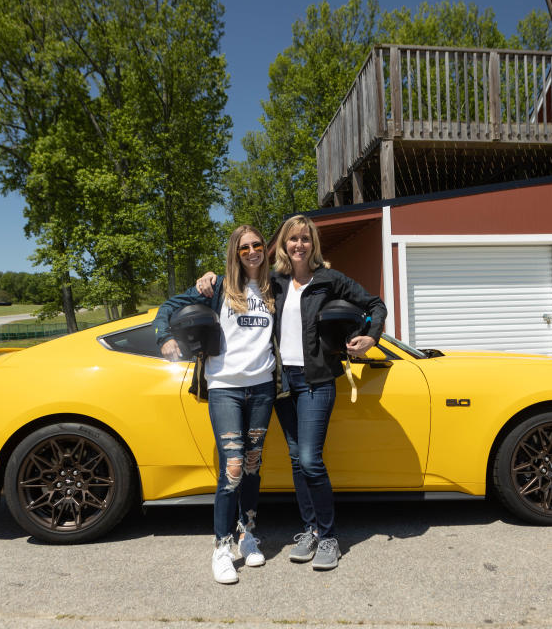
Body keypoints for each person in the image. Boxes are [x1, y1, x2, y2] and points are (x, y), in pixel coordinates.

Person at [197, 214, 386, 571]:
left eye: (305, 239)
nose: (299, 245)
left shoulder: (330, 280)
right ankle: (310, 530)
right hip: (281, 384)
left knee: (312, 460)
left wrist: (371, 336)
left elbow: (374, 304)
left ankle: (328, 536)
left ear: (313, 244)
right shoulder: (275, 283)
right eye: (292, 239)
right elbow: (237, 289)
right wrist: (209, 278)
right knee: (298, 460)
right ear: (282, 245)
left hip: (316, 382)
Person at [153, 225, 276, 585]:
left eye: (257, 245)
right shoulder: (218, 287)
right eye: (244, 248)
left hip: (263, 388)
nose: (252, 251)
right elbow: (168, 308)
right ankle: (221, 547)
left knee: (252, 465)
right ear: (235, 254)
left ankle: (246, 535)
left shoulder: (274, 288)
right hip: (225, 388)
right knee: (233, 467)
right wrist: (164, 339)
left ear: (265, 250)